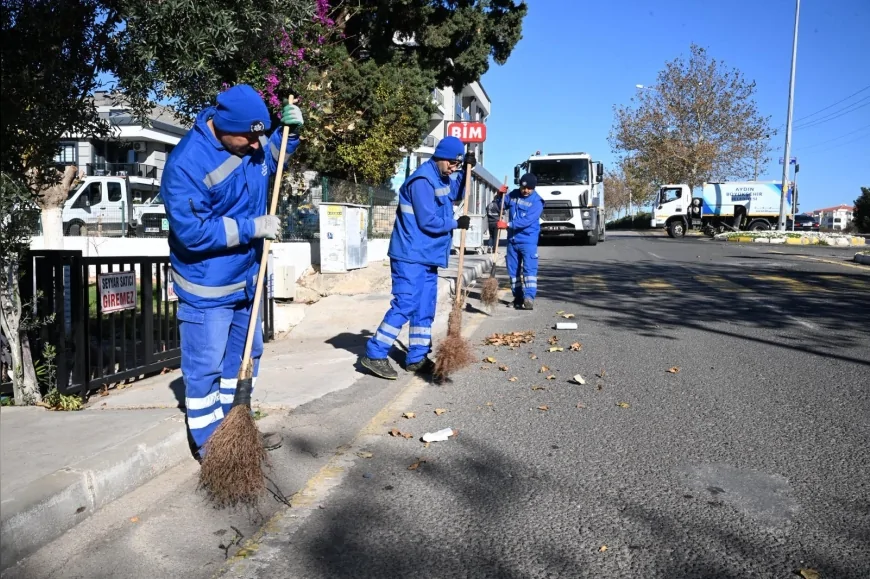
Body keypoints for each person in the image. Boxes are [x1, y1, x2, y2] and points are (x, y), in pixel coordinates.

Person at [162, 84, 304, 458]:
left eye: (261, 135)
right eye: (249, 136)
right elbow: (192, 232)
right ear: (223, 126)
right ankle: (211, 446)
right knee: (206, 366)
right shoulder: (187, 164)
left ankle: (236, 430)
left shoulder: (248, 143)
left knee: (245, 357)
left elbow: (269, 157)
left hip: (246, 281)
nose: (257, 145)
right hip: (208, 285)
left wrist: (290, 134)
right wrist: (252, 228)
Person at [360, 136, 475, 379]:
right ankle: (375, 353)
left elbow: (457, 193)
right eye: (453, 164)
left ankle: (416, 356)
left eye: (457, 164)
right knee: (406, 304)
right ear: (441, 158)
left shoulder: (441, 177)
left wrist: (466, 172)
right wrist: (456, 223)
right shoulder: (422, 181)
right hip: (410, 254)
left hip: (428, 256)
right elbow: (428, 221)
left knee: (424, 307)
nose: (454, 168)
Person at [496, 173, 544, 310]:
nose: (525, 191)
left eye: (529, 188)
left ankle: (529, 298)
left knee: (529, 270)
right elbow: (501, 206)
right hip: (512, 240)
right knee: (513, 271)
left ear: (533, 188)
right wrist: (500, 195)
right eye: (523, 188)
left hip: (527, 240)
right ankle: (518, 297)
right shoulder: (514, 194)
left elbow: (526, 221)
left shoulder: (537, 201)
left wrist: (507, 225)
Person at [486, 184, 509, 253]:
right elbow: (503, 212)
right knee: (496, 236)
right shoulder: (498, 205)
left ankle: (489, 247)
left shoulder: (489, 205)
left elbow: (486, 211)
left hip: (490, 222)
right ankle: (494, 249)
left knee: (491, 236)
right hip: (496, 222)